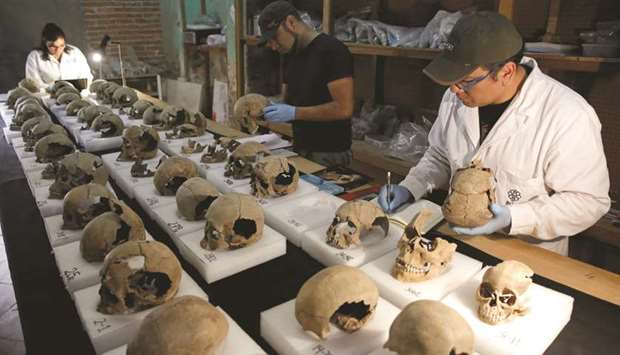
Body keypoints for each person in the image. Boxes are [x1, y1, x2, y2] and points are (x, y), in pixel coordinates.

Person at [378, 12, 610, 256]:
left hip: (527, 255)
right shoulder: (457, 97)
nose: (454, 89)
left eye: (465, 80)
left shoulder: (568, 114)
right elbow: (439, 155)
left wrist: (516, 218)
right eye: (451, 81)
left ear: (507, 72)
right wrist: (412, 186)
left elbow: (589, 201)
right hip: (458, 242)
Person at [258, 1, 354, 168]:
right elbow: (289, 99)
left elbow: (344, 108)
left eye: (275, 37)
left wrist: (294, 112)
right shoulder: (290, 55)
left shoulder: (332, 51)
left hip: (329, 153)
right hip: (301, 147)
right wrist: (268, 108)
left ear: (290, 23)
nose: (273, 46)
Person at [25, 23, 93, 92]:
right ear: (45, 43)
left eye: (62, 45)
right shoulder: (35, 56)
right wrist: (52, 90)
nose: (58, 50)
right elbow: (33, 83)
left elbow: (86, 75)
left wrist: (81, 91)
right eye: (53, 46)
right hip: (47, 98)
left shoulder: (75, 52)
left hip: (76, 94)